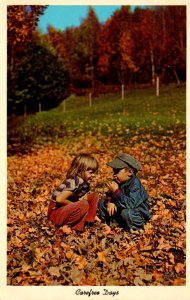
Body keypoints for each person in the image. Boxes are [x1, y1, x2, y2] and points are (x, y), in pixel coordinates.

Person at [98, 153, 151, 231]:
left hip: (136, 213)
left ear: (130, 172)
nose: (114, 175)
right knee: (102, 202)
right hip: (122, 209)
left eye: (117, 172)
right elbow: (109, 194)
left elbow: (130, 204)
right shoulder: (119, 181)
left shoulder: (135, 186)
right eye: (113, 172)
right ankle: (106, 223)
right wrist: (111, 201)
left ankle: (136, 229)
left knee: (127, 213)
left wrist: (116, 191)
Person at [48, 153, 99, 232]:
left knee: (93, 196)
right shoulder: (76, 181)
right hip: (55, 213)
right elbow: (59, 199)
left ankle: (88, 222)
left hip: (64, 210)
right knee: (83, 204)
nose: (93, 175)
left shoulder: (83, 183)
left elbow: (83, 198)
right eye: (91, 172)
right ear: (80, 171)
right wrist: (76, 205)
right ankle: (69, 226)